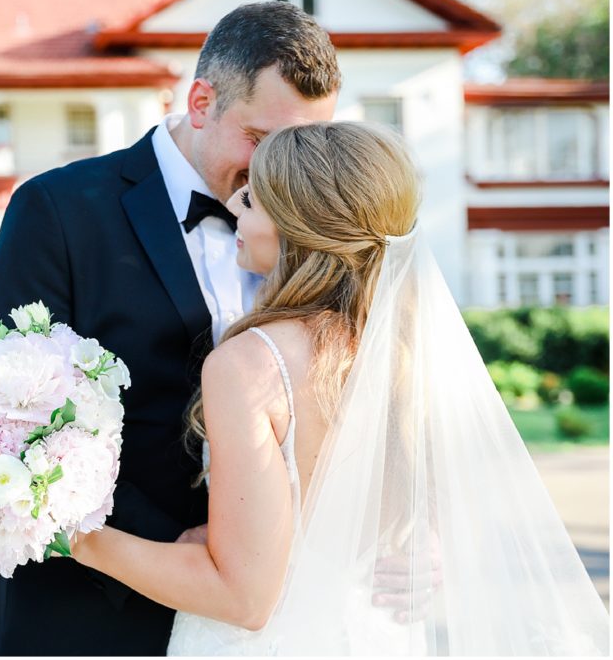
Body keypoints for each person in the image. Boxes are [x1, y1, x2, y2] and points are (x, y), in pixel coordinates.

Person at [70, 121, 611, 655]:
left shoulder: (251, 365)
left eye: (253, 200)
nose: (234, 207)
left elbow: (243, 597)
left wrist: (74, 538)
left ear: (296, 224)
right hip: (377, 636)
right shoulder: (401, 353)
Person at [0, 1, 339, 656]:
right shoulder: (58, 209)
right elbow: (10, 411)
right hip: (86, 610)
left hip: (264, 607)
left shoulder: (309, 227)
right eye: (263, 141)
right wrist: (172, 542)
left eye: (305, 146)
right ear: (201, 101)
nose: (281, 171)